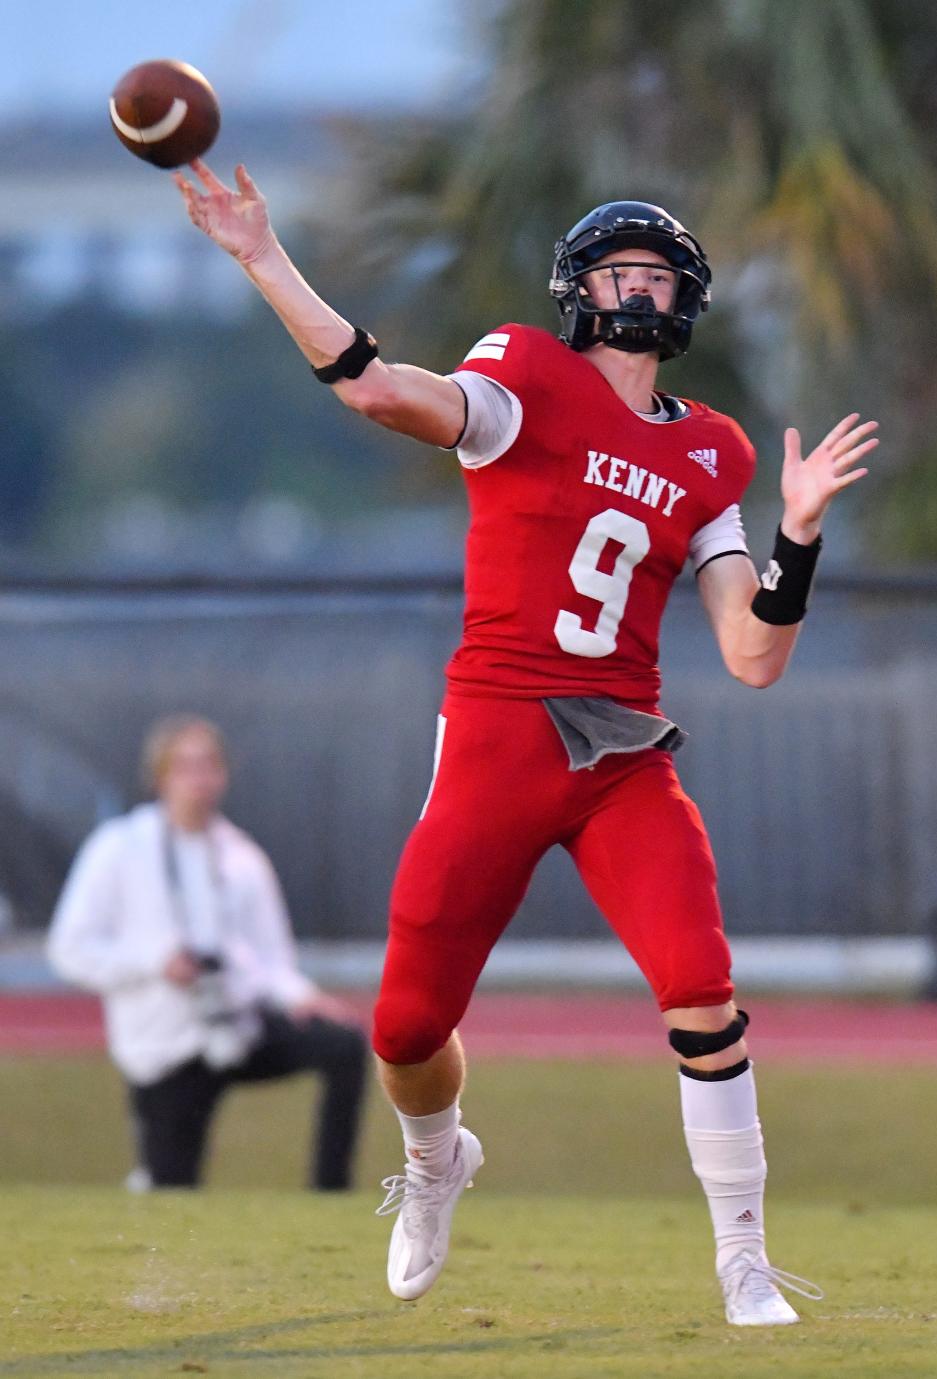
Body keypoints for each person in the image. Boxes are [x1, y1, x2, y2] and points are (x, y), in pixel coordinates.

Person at [172, 161, 877, 1324]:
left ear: (687, 297)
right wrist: (263, 256)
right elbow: (385, 393)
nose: (643, 287)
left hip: (620, 750)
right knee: (404, 1025)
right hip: (501, 731)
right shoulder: (523, 376)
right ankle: (439, 1155)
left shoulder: (713, 453)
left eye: (660, 272)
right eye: (623, 270)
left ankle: (744, 1259)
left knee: (702, 985)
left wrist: (798, 532)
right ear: (580, 290)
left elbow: (754, 653)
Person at [47, 715, 368, 1191]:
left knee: (344, 1046)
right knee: (172, 1191)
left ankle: (330, 1195)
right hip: (165, 1047)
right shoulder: (118, 849)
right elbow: (68, 949)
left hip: (237, 1027)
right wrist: (155, 963)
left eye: (209, 765)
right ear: (159, 775)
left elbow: (271, 960)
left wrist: (301, 997)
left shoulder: (242, 855)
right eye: (185, 766)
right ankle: (151, 1180)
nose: (199, 779)